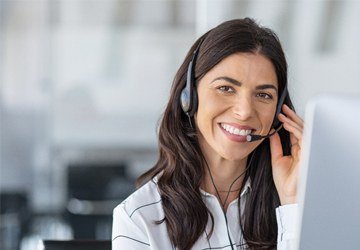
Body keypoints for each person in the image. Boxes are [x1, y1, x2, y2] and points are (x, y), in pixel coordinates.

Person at [112, 18, 303, 250]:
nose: (244, 112)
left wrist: (293, 203)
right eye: (226, 88)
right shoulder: (139, 218)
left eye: (263, 95)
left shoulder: (297, 204)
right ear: (189, 97)